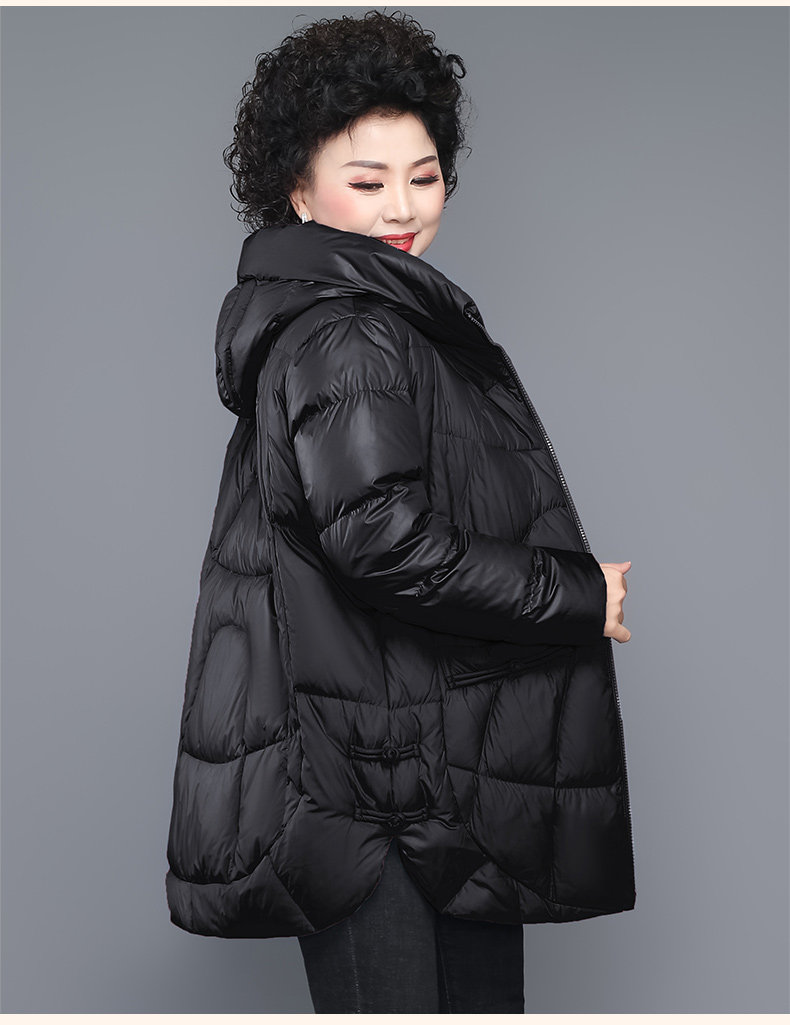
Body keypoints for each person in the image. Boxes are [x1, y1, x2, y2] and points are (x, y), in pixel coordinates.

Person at [165, 10, 636, 1014]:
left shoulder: (356, 319)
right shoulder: (352, 332)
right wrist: (578, 594)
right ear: (299, 191)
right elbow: (381, 541)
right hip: (379, 805)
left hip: (416, 788)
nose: (403, 207)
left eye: (423, 177)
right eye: (368, 180)